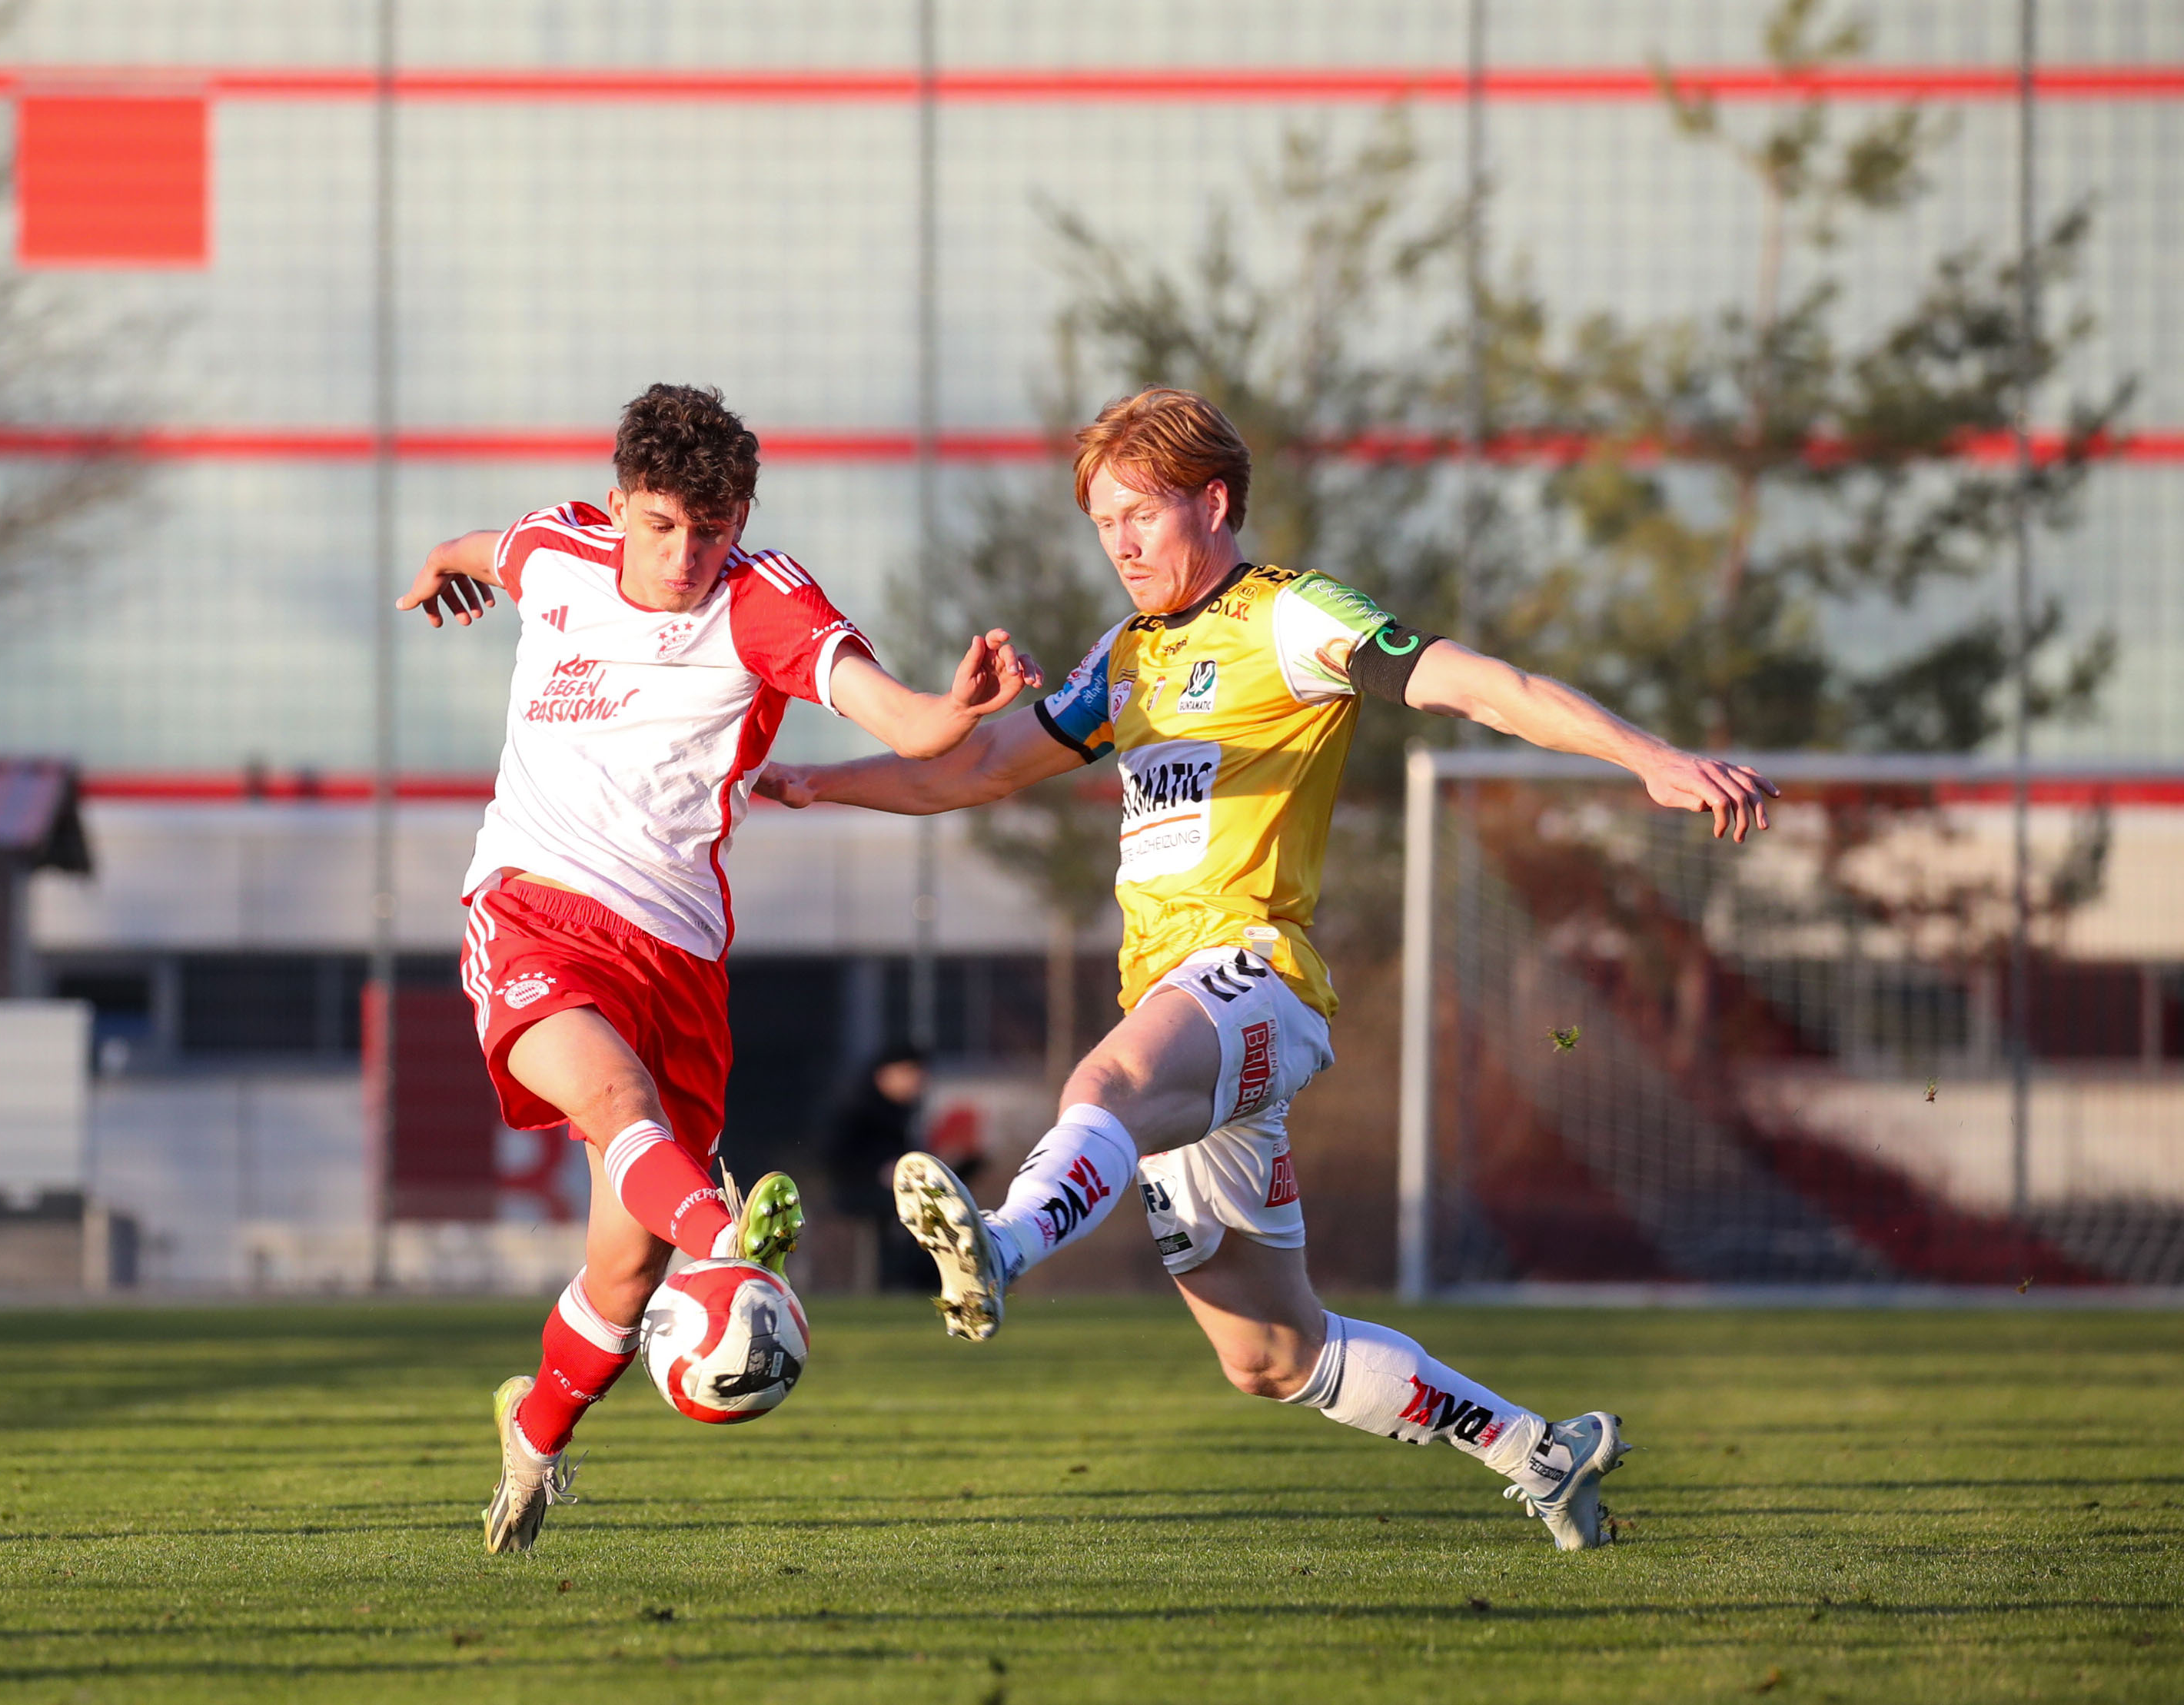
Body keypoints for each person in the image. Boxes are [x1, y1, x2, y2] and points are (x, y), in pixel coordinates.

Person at [758, 387, 1777, 1551]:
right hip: (1180, 1007)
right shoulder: (1127, 660)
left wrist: (1644, 755)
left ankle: (1001, 1241)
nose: (1123, 542)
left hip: (1258, 978)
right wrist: (817, 782)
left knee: (1104, 1087)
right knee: (1271, 1355)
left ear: (1215, 499)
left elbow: (1477, 681)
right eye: (1104, 523)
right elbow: (977, 769)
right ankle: (1539, 1448)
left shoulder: (1292, 616)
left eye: (1142, 513)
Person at [399, 383, 1041, 1553]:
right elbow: (483, 548)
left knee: (623, 1264)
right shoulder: (557, 551)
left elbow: (900, 721)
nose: (687, 552)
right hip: (532, 909)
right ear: (618, 507)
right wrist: (443, 566)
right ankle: (728, 1238)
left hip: (677, 957)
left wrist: (956, 709)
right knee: (612, 1104)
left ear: (740, 513)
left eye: (713, 524)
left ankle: (536, 1429)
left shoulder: (764, 604)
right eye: (660, 524)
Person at [820, 1043, 936, 1292]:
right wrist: (879, 1171)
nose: (917, 1081)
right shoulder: (856, 1108)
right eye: (909, 1072)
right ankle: (898, 1283)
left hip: (892, 1191)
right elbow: (833, 1157)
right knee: (908, 1213)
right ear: (885, 1074)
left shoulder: (905, 1112)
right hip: (856, 1190)